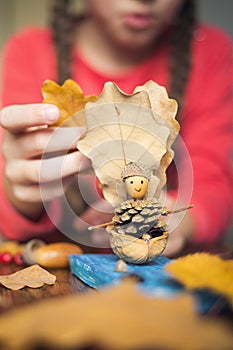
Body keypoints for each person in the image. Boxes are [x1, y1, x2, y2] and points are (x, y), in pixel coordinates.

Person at [0, 0, 232, 257]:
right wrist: (21, 195)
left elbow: (213, 185)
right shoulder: (30, 51)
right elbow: (10, 215)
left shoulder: (210, 52)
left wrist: (170, 218)